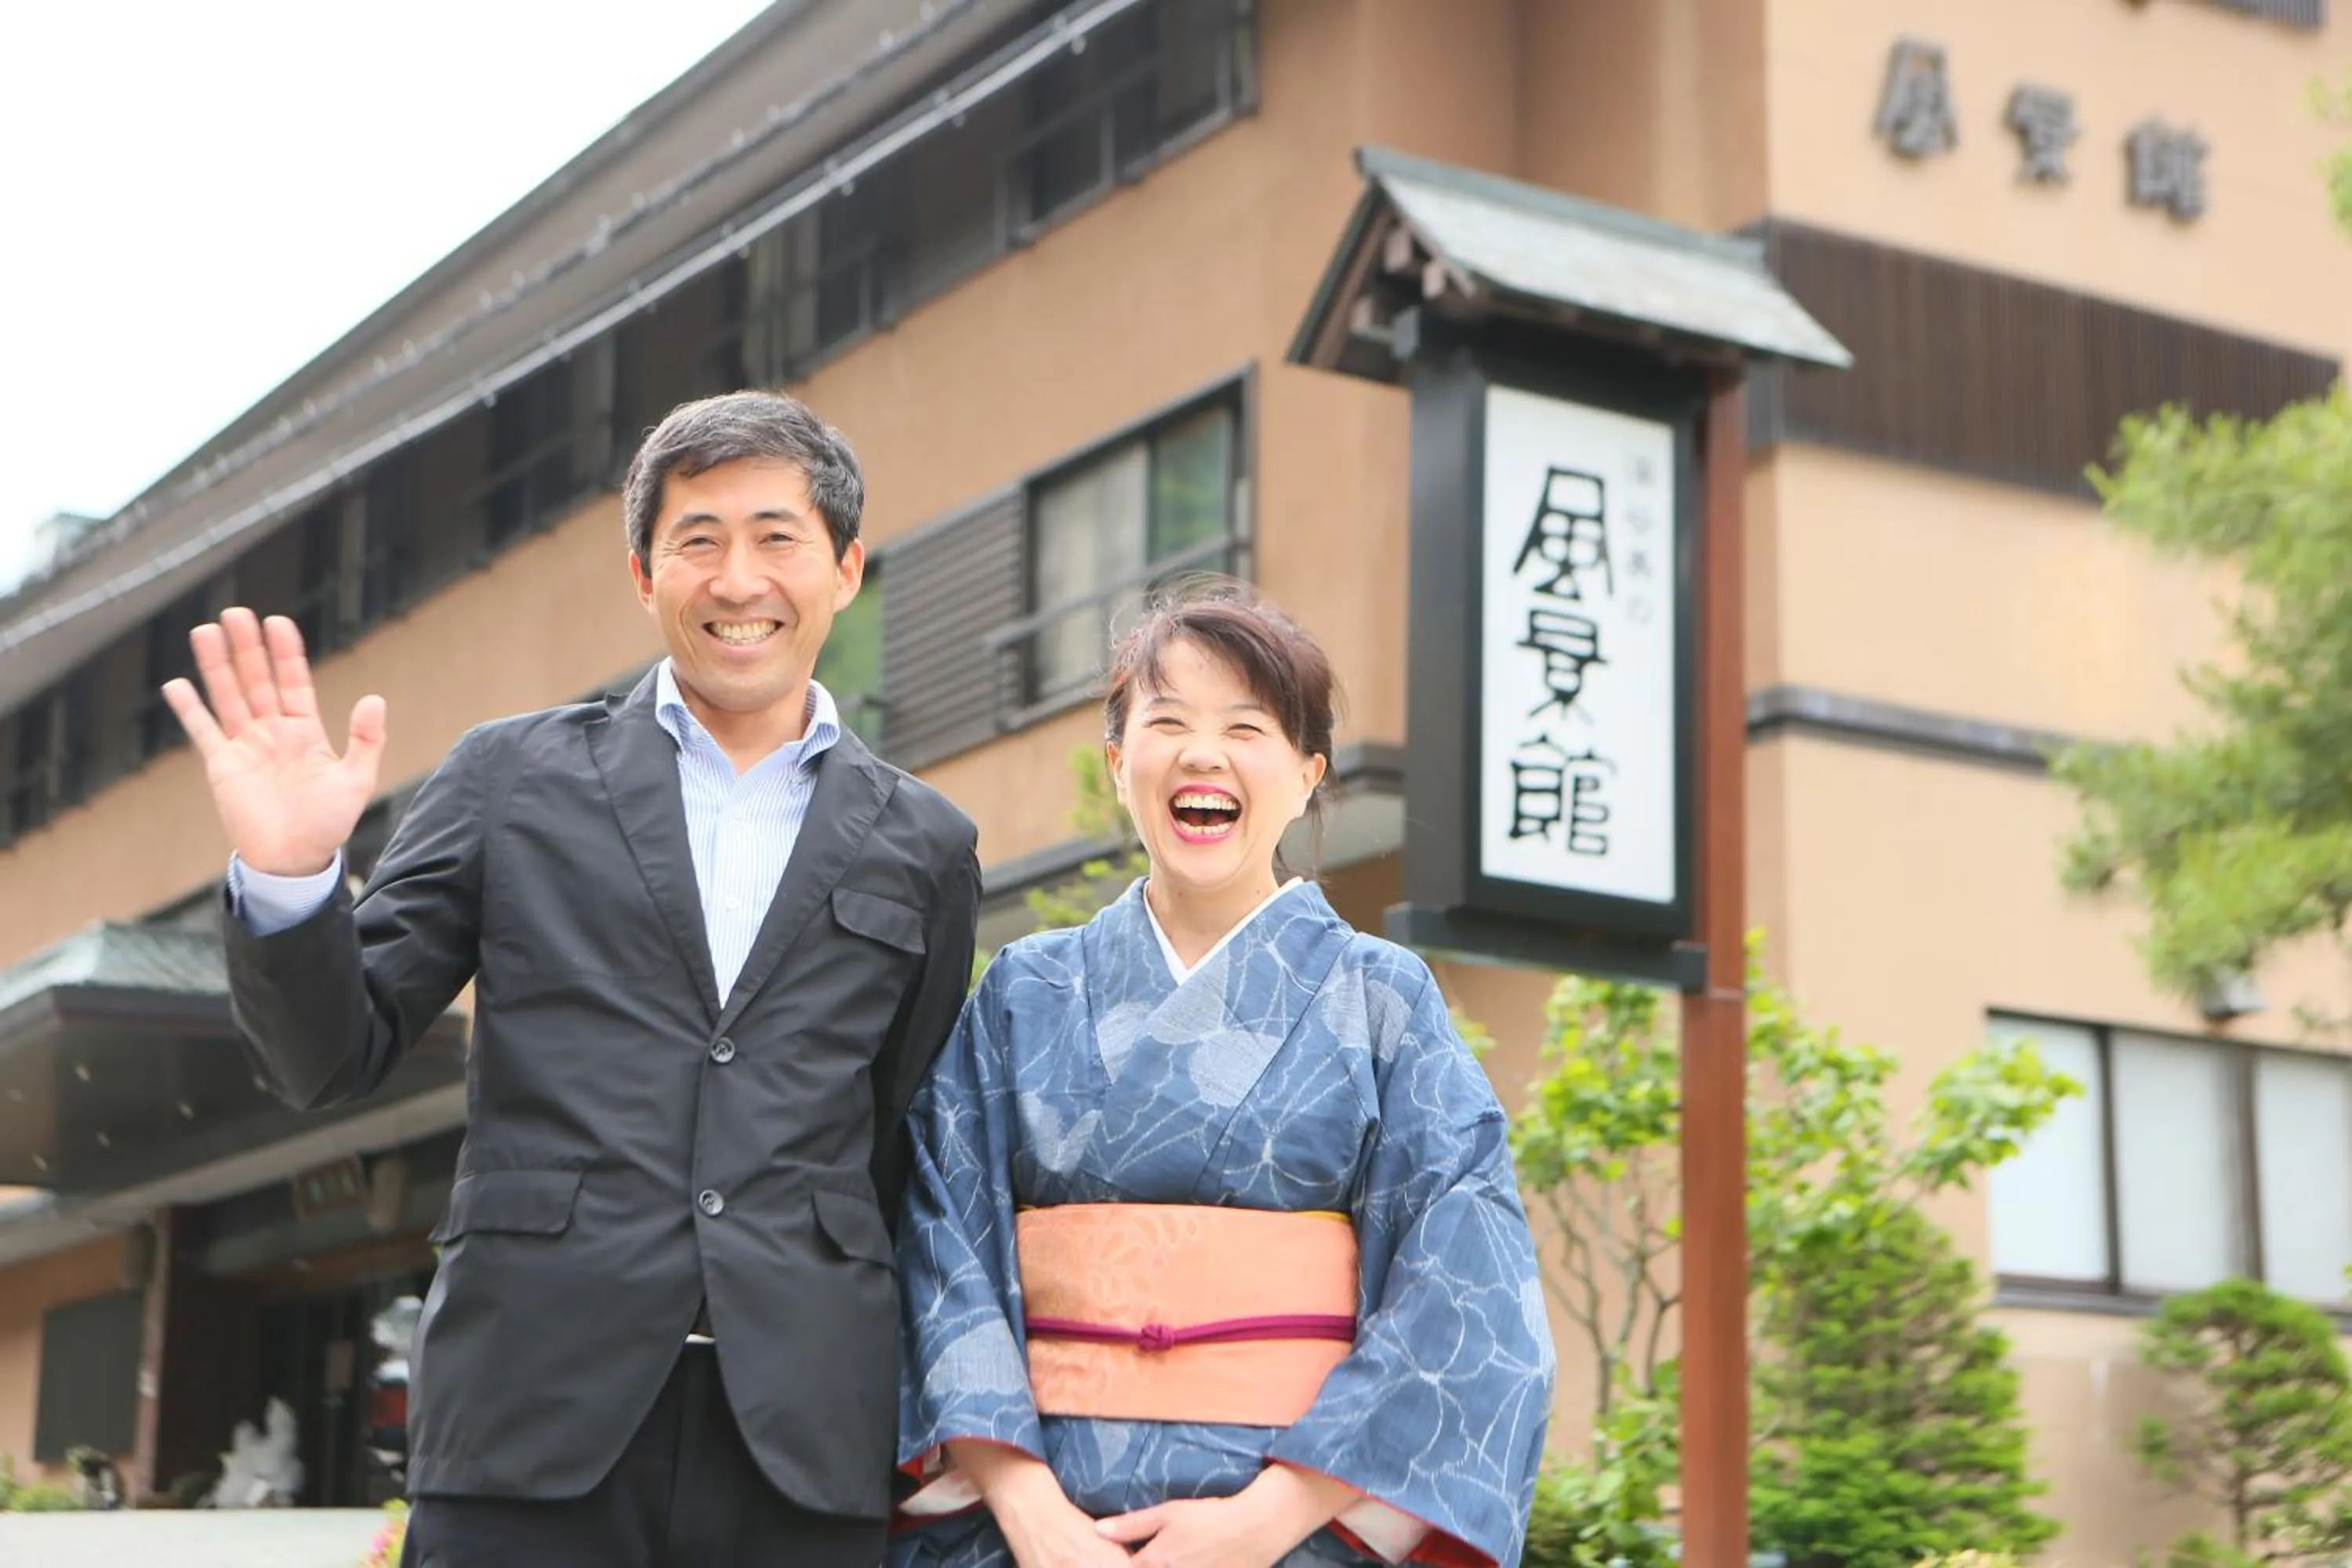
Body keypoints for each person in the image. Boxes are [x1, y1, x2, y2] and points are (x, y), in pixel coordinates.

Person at [162, 390, 981, 1567]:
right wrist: (292, 882)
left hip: (804, 1442)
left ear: (846, 568)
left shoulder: (928, 843)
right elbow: (327, 1055)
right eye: (697, 540)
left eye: (777, 537)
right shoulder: (510, 779)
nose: (738, 578)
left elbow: (899, 1135)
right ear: (645, 576)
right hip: (529, 1420)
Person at [891, 581, 1553, 1568]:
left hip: (1295, 1528)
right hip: (1033, 1530)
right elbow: (941, 1241)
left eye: (1247, 726)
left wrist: (1272, 1517)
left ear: (1306, 773)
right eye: (1168, 723)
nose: (1204, 753)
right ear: (1120, 765)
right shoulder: (1025, 989)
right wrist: (1029, 1509)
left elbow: (1469, 1279)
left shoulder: (1381, 998)